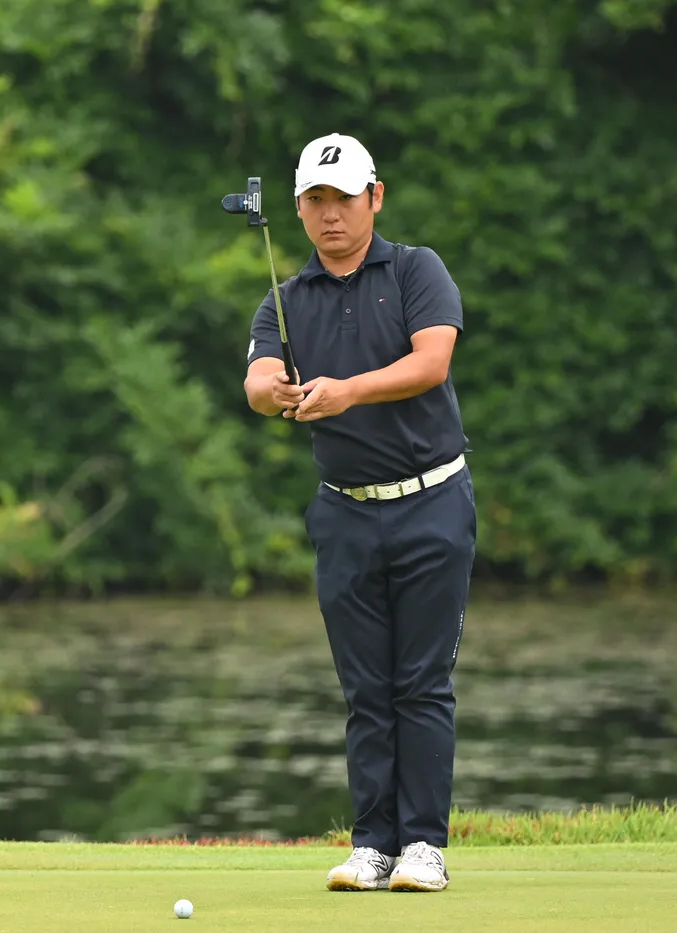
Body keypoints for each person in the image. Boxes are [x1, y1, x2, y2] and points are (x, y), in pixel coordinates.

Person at [242, 134, 476, 893]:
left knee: (422, 682)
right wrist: (274, 390)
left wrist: (347, 390)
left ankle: (424, 846)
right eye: (315, 200)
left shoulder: (415, 269)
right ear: (297, 208)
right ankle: (373, 845)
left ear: (374, 196)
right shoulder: (286, 298)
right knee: (366, 689)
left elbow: (431, 362)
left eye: (343, 198)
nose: (330, 214)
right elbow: (258, 379)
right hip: (344, 513)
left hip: (432, 500)